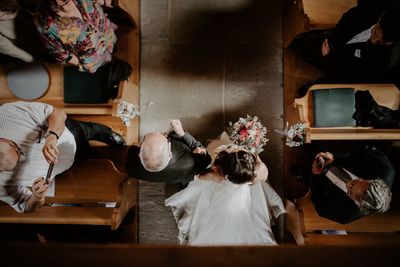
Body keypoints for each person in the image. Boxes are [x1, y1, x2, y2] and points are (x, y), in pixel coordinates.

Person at [0, 101, 125, 213]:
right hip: (65, 170)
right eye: (17, 167)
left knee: (91, 130)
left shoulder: (7, 114)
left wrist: (52, 136)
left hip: (67, 133)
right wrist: (36, 197)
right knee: (93, 160)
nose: (25, 158)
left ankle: (110, 134)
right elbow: (26, 207)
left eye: (19, 150)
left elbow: (58, 114)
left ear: (9, 141)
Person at [165, 145, 284, 245]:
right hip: (241, 194)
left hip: (226, 192)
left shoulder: (219, 175)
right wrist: (254, 150)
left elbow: (202, 175)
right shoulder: (254, 177)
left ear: (225, 176)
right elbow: (260, 166)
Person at [292, 2, 400, 94]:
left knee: (321, 87)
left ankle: (319, 82)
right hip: (336, 44)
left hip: (342, 69)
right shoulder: (365, 12)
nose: (373, 41)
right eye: (375, 34)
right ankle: (317, 58)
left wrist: (330, 59)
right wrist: (331, 44)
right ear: (380, 18)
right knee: (301, 46)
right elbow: (343, 25)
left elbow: (351, 77)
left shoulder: (385, 61)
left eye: (381, 43)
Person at [310, 146, 394, 224]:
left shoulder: (345, 215)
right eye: (355, 182)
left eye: (349, 191)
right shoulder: (384, 168)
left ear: (358, 205)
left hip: (310, 175)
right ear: (370, 180)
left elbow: (319, 205)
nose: (348, 184)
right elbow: (365, 149)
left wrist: (316, 176)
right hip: (334, 147)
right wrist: (335, 156)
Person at [34, 0, 117, 73]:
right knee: (110, 62)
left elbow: (107, 2)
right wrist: (83, 64)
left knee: (114, 43)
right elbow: (61, 54)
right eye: (52, 2)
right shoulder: (46, 23)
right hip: (94, 57)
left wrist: (105, 2)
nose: (60, 4)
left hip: (107, 33)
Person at [125, 119, 211, 184]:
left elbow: (134, 148)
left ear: (140, 154)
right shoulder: (191, 168)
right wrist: (182, 133)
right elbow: (203, 153)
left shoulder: (134, 162)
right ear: (170, 154)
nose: (158, 131)